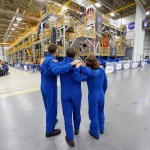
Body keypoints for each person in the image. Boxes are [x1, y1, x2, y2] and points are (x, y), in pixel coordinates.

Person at [40, 44, 80, 138]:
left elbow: (46, 70)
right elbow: (57, 70)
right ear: (56, 51)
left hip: (44, 85)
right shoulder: (51, 60)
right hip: (49, 87)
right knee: (51, 108)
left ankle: (52, 120)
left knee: (48, 106)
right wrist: (71, 64)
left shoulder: (45, 59)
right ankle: (49, 130)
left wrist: (41, 64)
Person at [59, 48, 87, 147]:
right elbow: (85, 74)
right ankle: (76, 129)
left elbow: (56, 70)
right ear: (75, 55)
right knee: (76, 112)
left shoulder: (61, 64)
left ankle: (70, 139)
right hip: (76, 93)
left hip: (65, 93)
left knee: (67, 116)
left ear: (66, 55)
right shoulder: (78, 64)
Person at [78, 55, 108, 140]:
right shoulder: (102, 70)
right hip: (101, 93)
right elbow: (105, 83)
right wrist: (103, 92)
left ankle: (94, 132)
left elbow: (79, 77)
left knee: (93, 113)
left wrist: (80, 65)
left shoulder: (89, 74)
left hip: (93, 95)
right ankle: (101, 128)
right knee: (101, 111)